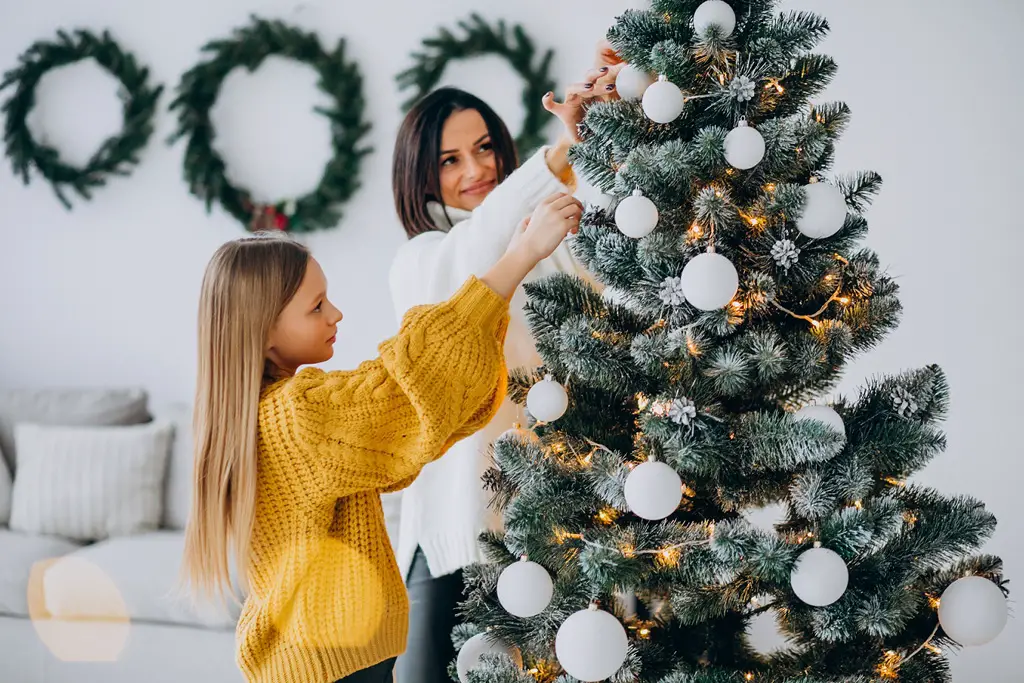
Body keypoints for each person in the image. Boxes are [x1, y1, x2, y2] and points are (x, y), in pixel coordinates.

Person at [180, 201, 581, 683]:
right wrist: (521, 255)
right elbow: (409, 386)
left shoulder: (255, 413)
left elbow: (407, 420)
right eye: (316, 306)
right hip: (333, 666)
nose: (336, 313)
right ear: (264, 332)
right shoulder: (297, 415)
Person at [388, 49, 624, 683]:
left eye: (486, 147)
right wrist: (558, 155)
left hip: (555, 525)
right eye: (450, 159)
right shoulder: (422, 259)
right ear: (420, 176)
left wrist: (607, 125)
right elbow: (482, 250)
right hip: (458, 535)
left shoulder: (543, 242)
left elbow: (613, 276)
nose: (478, 168)